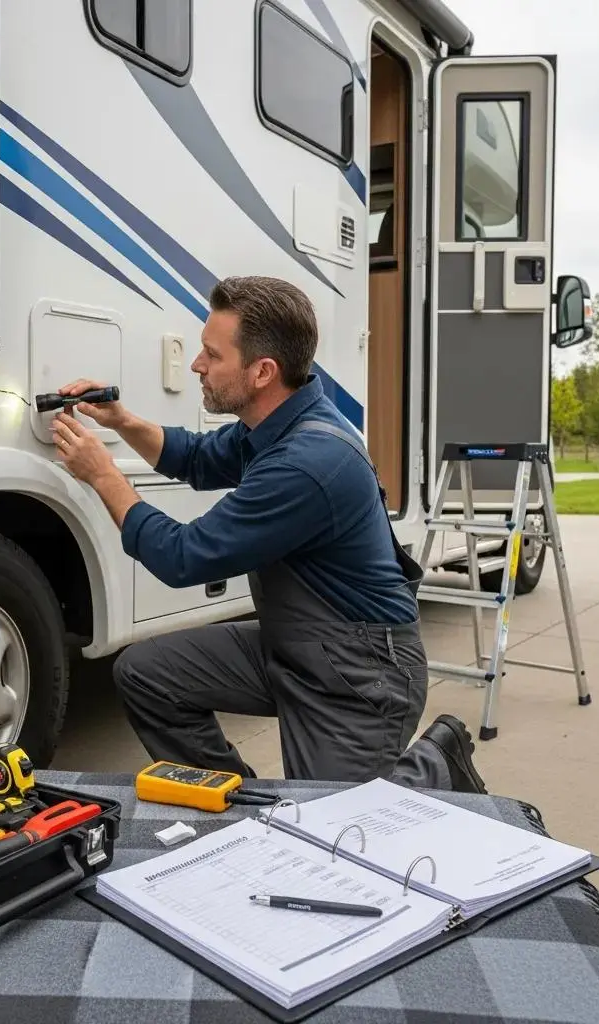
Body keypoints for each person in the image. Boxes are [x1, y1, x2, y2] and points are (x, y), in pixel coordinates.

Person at [49, 275, 486, 793]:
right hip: (294, 643)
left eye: (212, 354)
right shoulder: (276, 422)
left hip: (360, 672)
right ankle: (242, 805)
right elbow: (194, 456)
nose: (197, 365)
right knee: (147, 673)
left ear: (262, 372)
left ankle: (436, 764)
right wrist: (121, 421)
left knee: (342, 835)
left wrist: (102, 474)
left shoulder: (307, 463)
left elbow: (183, 558)